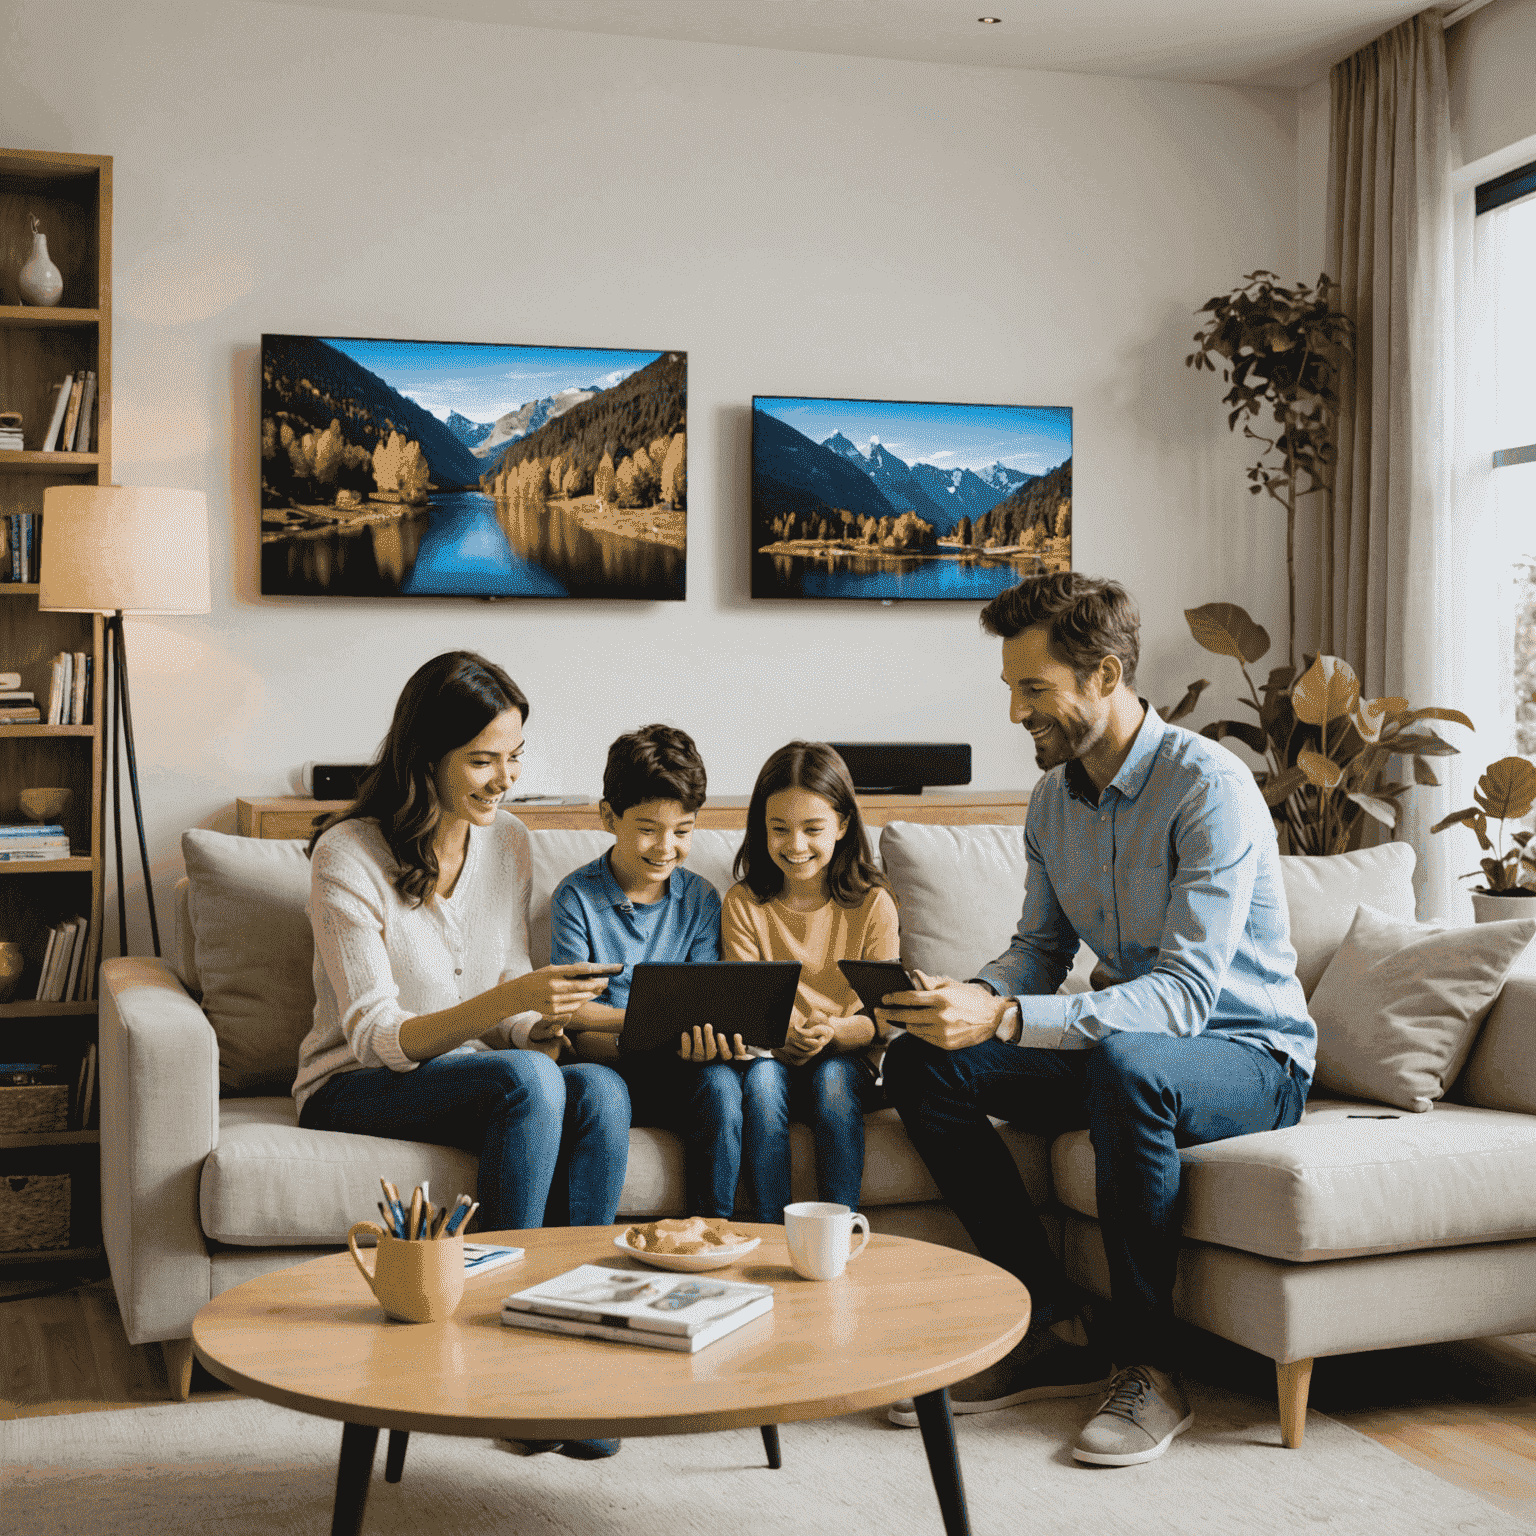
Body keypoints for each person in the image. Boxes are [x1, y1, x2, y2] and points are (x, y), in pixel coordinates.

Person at [878, 574, 1313, 1468]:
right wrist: (959, 999)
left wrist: (1004, 1019)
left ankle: (1152, 1367)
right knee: (923, 1067)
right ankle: (1049, 1323)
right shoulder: (1051, 801)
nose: (1012, 713)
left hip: (1246, 1055)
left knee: (1131, 1065)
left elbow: (1184, 997)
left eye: (1032, 690)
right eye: (1010, 688)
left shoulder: (1209, 789)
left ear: (1106, 674)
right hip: (1132, 1053)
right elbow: (1035, 952)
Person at [293, 650, 632, 1460]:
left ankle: (572, 1343)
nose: (505, 777)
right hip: (353, 1081)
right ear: (425, 757)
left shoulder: (507, 841)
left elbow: (509, 977)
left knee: (600, 1092)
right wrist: (514, 1015)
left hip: (472, 1069)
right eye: (483, 759)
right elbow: (377, 1033)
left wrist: (537, 1020)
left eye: (514, 755)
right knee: (528, 1081)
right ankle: (502, 1358)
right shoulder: (347, 853)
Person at [551, 724, 733, 1216]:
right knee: (603, 1095)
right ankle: (581, 1255)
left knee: (720, 1086)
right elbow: (573, 1015)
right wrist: (651, 1023)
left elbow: (704, 1002)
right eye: (648, 829)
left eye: (683, 831)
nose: (665, 847)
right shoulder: (576, 898)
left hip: (674, 1069)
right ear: (610, 817)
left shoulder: (699, 899)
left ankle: (711, 1236)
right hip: (602, 1065)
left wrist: (701, 1036)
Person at [715, 741, 899, 1223]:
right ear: (762, 830)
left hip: (846, 1055)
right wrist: (778, 1041)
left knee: (833, 1085)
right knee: (761, 1085)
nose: (795, 846)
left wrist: (835, 1033)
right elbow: (744, 1008)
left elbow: (883, 1019)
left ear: (842, 825)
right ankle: (774, 1228)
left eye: (812, 829)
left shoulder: (873, 904)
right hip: (769, 1056)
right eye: (780, 830)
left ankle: (838, 1229)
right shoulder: (744, 904)